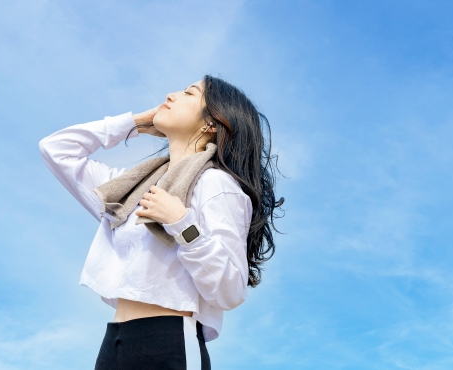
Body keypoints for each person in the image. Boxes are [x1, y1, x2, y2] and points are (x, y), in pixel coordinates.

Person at [38, 75, 283, 370]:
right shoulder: (129, 189)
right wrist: (136, 124)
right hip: (114, 342)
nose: (171, 95)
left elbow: (230, 289)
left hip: (169, 340)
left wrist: (181, 223)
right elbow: (56, 149)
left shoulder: (216, 185)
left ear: (213, 123)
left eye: (189, 93)